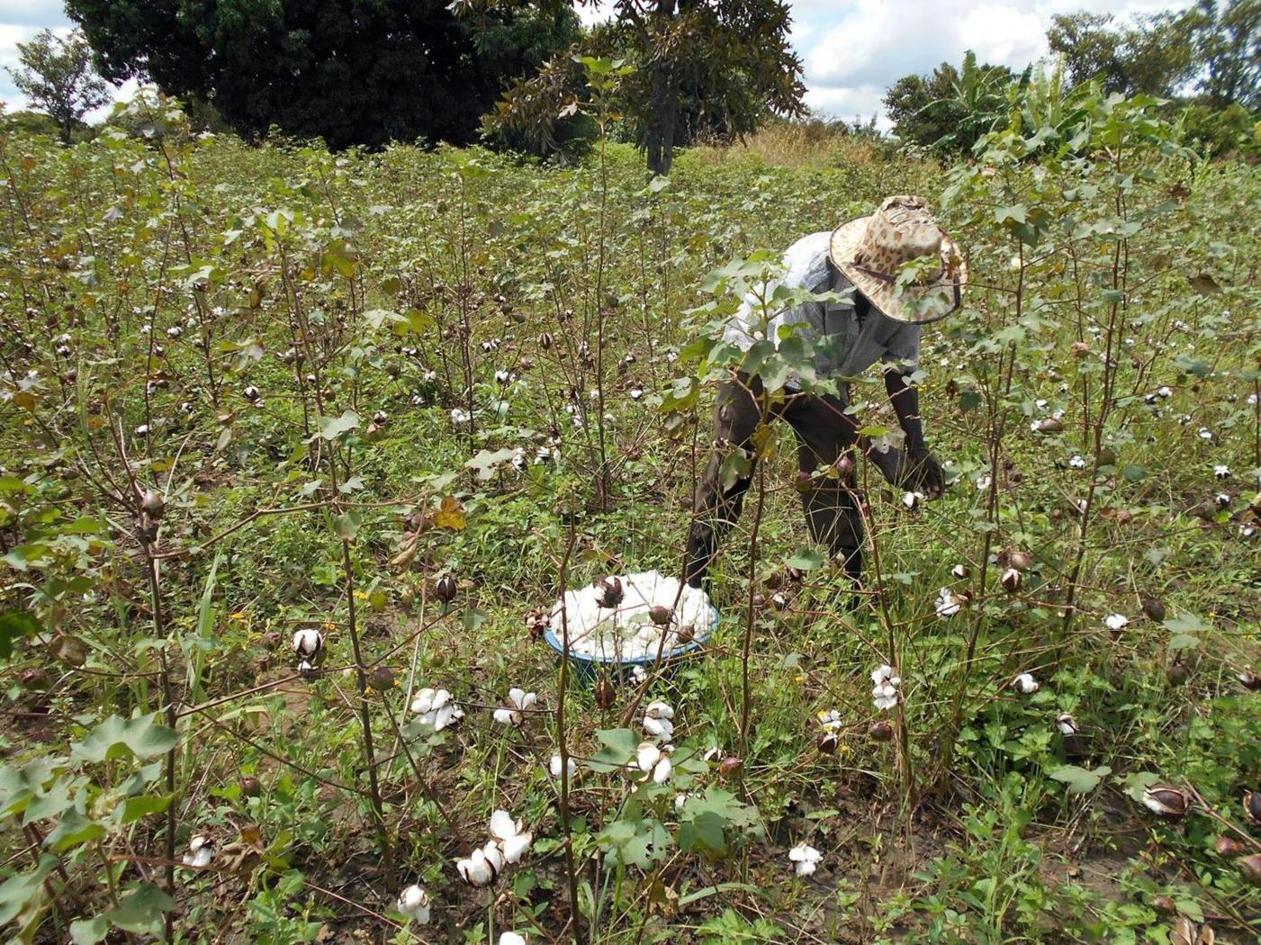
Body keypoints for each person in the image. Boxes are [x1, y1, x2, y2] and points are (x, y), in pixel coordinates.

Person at [685, 194, 967, 590]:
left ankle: (847, 592)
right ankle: (692, 586)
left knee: (832, 481)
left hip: (826, 381)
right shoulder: (809, 278)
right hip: (758, 360)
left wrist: (917, 447)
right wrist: (880, 450)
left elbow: (901, 371)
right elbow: (801, 380)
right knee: (733, 469)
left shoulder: (911, 291)